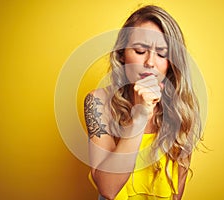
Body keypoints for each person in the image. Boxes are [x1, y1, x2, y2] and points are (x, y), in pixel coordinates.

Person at [84, 5, 202, 200]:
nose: (150, 62)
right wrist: (139, 116)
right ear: (122, 53)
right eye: (140, 50)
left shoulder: (182, 108)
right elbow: (108, 189)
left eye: (162, 54)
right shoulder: (98, 102)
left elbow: (176, 194)